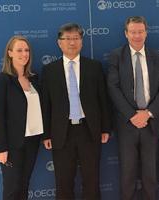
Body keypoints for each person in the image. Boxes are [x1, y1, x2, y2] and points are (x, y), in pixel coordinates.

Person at [41, 23, 111, 199]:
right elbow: (46, 105)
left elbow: (103, 99)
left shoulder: (94, 67)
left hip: (89, 130)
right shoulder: (49, 70)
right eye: (67, 39)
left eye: (76, 38)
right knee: (63, 182)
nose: (72, 42)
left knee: (92, 180)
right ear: (59, 43)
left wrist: (105, 128)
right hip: (61, 133)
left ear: (81, 42)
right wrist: (46, 134)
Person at [107, 16, 159, 200]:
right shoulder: (116, 56)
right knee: (127, 174)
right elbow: (113, 87)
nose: (137, 35)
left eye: (140, 31)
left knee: (151, 174)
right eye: (133, 32)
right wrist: (132, 115)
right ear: (126, 34)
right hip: (127, 124)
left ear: (146, 33)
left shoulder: (157, 57)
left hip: (151, 123)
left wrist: (148, 113)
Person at [0, 35, 43, 200]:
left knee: (24, 185)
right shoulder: (2, 80)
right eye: (19, 50)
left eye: (26, 50)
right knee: (12, 188)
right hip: (12, 144)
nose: (24, 54)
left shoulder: (34, 79)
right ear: (10, 53)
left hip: (32, 140)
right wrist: (1, 148)